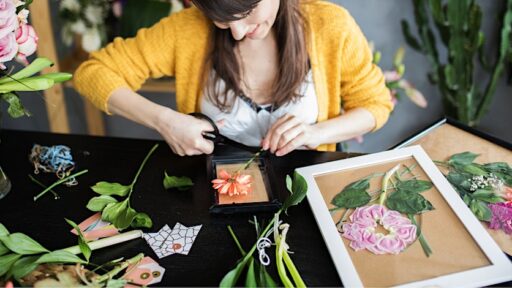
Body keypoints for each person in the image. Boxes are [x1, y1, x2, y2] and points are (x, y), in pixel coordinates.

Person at [74, 0, 393, 157]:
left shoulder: (331, 26)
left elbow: (375, 105)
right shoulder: (186, 30)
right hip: (214, 193)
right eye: (223, 20)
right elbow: (93, 73)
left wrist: (315, 132)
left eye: (248, 12)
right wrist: (165, 121)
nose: (239, 32)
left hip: (306, 191)